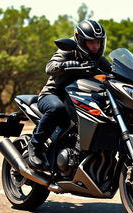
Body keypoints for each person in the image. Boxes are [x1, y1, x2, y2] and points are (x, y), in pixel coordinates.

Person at [28, 19, 112, 170]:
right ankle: (35, 145)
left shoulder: (96, 57)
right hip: (53, 95)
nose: (96, 46)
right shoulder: (68, 50)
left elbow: (112, 70)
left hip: (77, 97)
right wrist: (64, 65)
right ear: (80, 40)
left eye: (99, 42)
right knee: (57, 109)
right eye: (91, 42)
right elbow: (50, 67)